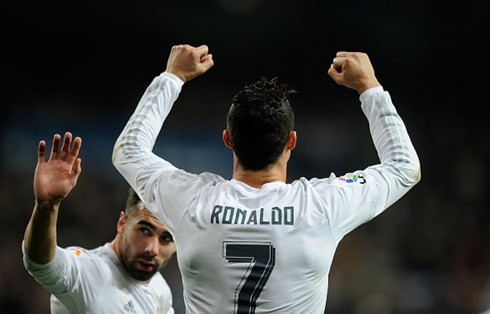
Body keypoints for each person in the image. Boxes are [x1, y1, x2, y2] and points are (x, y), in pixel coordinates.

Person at [112, 44, 421, 313]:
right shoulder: (320, 206)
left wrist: (172, 76)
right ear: (291, 142)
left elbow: (128, 151)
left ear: (227, 139)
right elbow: (404, 166)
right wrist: (369, 87)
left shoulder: (193, 202)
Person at [23, 132, 176, 313]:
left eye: (166, 238)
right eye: (144, 230)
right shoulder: (89, 273)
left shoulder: (160, 289)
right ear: (122, 223)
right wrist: (47, 206)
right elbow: (41, 263)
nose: (152, 248)